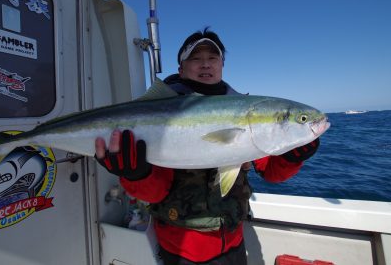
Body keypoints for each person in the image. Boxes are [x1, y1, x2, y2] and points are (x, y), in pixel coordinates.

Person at [95, 28, 320, 265]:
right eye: (196, 58)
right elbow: (154, 192)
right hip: (181, 249)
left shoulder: (245, 112)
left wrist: (292, 158)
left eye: (213, 58)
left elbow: (271, 172)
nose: (205, 64)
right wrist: (136, 174)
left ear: (222, 65)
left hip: (233, 241)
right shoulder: (165, 108)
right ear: (181, 69)